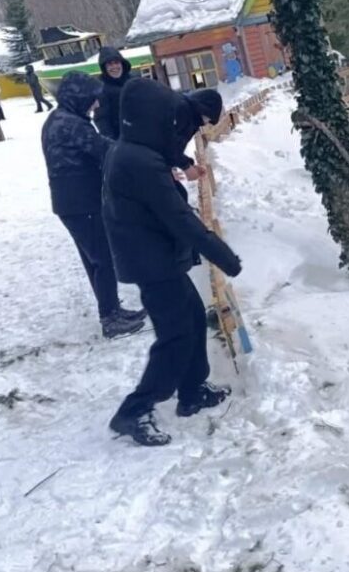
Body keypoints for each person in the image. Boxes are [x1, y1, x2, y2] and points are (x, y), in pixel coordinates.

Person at [102, 78, 242, 446]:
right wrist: (223, 256)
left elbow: (167, 160)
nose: (172, 125)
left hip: (156, 254)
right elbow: (179, 217)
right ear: (151, 117)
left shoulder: (137, 149)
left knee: (193, 317)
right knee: (175, 337)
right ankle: (133, 411)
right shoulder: (140, 163)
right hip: (151, 260)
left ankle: (192, 390)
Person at [40, 71, 147, 338]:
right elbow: (105, 150)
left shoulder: (60, 119)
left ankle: (111, 309)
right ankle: (110, 318)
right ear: (78, 97)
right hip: (81, 203)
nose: (96, 104)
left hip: (71, 202)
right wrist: (140, 156)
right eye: (92, 99)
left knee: (94, 260)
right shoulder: (70, 124)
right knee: (103, 259)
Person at [93, 46, 131, 139]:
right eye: (110, 64)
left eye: (116, 62)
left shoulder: (133, 80)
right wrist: (111, 142)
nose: (114, 67)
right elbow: (101, 118)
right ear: (104, 68)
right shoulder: (101, 88)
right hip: (120, 137)